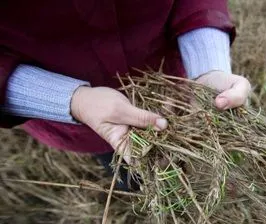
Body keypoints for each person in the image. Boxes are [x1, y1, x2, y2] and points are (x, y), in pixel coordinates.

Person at [0, 1, 251, 188]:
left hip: (171, 83)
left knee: (189, 145)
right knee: (131, 170)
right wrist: (73, 100)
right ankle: (146, 191)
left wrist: (207, 68)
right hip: (86, 123)